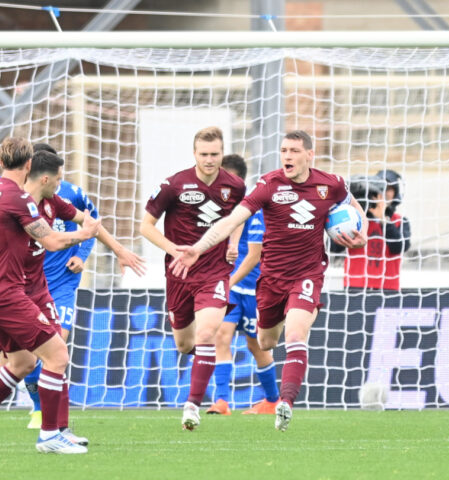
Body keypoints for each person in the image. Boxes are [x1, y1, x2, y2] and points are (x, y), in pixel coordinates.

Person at [170, 130, 367, 432]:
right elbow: (231, 220)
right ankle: (268, 393)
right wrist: (198, 248)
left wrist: (362, 233)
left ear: (309, 155)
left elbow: (356, 209)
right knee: (266, 342)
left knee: (296, 335)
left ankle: (285, 404)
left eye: (294, 151)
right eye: (284, 150)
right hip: (271, 279)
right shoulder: (269, 185)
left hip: (307, 274)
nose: (287, 156)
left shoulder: (332, 184)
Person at [0, 137, 141, 455]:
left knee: (23, 362)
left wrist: (101, 234)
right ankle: (49, 435)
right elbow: (54, 242)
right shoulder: (19, 199)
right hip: (8, 292)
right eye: (57, 177)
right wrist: (82, 236)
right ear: (32, 168)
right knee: (57, 356)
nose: (61, 182)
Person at [140, 126, 246, 430]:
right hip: (179, 273)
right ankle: (207, 361)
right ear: (194, 154)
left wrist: (234, 242)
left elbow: (240, 216)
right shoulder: (173, 185)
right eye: (204, 154)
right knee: (186, 344)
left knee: (206, 334)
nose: (210, 160)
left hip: (214, 271)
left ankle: (192, 406)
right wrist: (175, 250)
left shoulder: (235, 186)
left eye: (215, 154)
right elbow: (145, 226)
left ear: (222, 153)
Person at [21, 143, 99, 430]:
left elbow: (92, 223)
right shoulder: (22, 200)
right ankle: (39, 409)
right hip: (30, 284)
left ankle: (55, 422)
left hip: (63, 284)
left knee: (56, 348)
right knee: (28, 358)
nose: (58, 179)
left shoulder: (71, 194)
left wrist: (82, 255)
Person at [206, 154, 279, 416]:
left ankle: (272, 400)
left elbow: (254, 256)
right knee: (220, 336)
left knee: (255, 345)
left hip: (254, 289)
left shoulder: (254, 208)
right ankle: (222, 401)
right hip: (231, 288)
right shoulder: (217, 207)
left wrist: (228, 280)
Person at [329, 174, 411, 290]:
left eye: (389, 189)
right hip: (356, 285)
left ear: (395, 193)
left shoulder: (399, 221)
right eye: (381, 190)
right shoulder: (356, 220)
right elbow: (333, 247)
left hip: (387, 286)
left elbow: (399, 248)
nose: (384, 194)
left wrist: (383, 220)